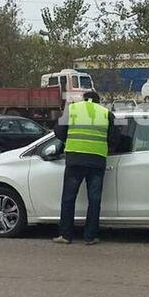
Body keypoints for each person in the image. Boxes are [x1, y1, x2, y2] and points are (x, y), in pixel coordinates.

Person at [52, 91, 114, 245]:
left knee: (68, 198)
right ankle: (90, 236)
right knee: (94, 200)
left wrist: (70, 140)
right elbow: (114, 138)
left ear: (83, 99)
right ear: (98, 102)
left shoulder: (72, 109)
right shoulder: (106, 113)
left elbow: (58, 131)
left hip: (75, 160)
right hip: (96, 161)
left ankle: (66, 235)